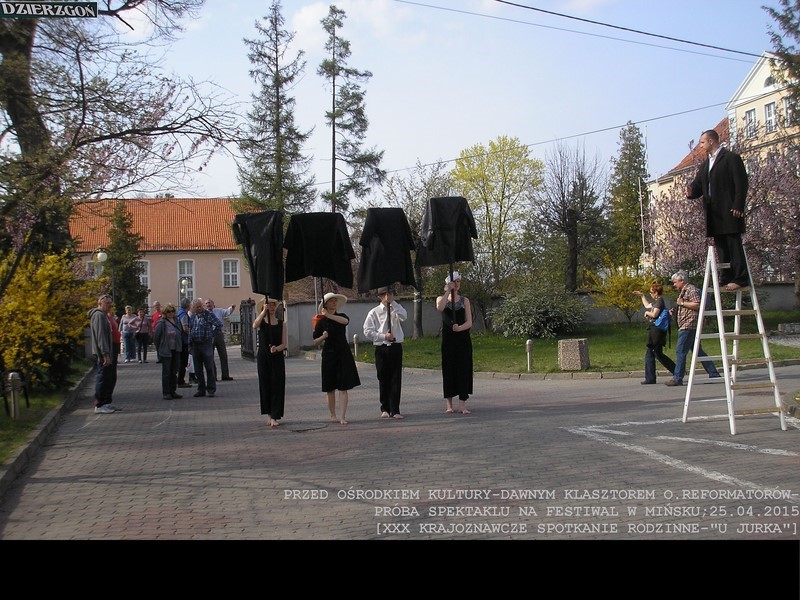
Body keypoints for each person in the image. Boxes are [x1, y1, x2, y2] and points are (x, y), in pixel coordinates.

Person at [686, 129, 749, 291]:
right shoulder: (707, 163)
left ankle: (740, 278)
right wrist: (691, 190)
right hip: (714, 213)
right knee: (720, 245)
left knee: (733, 243)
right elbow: (699, 184)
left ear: (711, 141)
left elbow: (741, 183)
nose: (700, 146)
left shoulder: (731, 158)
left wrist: (738, 205)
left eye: (702, 142)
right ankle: (726, 276)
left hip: (729, 209)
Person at [313, 292, 361, 425]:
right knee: (330, 388)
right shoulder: (321, 322)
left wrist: (329, 315)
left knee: (343, 387)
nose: (334, 303)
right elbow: (315, 341)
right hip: (329, 355)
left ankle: (343, 416)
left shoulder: (341, 316)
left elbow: (345, 321)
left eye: (335, 301)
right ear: (326, 304)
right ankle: (332, 414)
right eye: (331, 301)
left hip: (343, 353)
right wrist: (323, 337)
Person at [667, 270, 721, 386]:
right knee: (697, 351)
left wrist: (681, 304)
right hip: (687, 324)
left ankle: (678, 378)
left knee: (680, 351)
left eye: (675, 282)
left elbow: (697, 304)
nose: (674, 284)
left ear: (682, 281)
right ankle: (713, 372)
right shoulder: (684, 290)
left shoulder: (690, 289)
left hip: (689, 325)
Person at [363, 286, 407, 419]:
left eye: (391, 294)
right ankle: (385, 408)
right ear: (380, 297)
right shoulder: (374, 312)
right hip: (381, 347)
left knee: (395, 378)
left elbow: (404, 316)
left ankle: (395, 409)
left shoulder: (396, 308)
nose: (388, 296)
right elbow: (367, 331)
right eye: (385, 295)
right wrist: (383, 336)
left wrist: (393, 303)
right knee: (383, 377)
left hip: (395, 346)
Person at [435, 271, 473, 414]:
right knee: (449, 369)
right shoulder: (441, 299)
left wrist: (460, 328)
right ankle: (449, 404)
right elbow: (440, 308)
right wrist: (447, 292)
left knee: (463, 369)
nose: (456, 284)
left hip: (462, 339)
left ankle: (462, 404)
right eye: (453, 282)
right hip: (448, 340)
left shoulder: (465, 301)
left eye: (458, 282)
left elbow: (469, 322)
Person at [253, 297, 287, 428]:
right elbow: (254, 325)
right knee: (265, 384)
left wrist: (277, 348)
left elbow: (284, 343)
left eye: (273, 306)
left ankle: (275, 415)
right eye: (269, 305)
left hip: (277, 357)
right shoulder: (261, 322)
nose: (271, 308)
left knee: (277, 384)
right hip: (263, 357)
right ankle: (268, 414)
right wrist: (262, 313)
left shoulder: (281, 323)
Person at [634, 283, 676, 385]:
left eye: (652, 292)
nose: (651, 294)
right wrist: (642, 296)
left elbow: (654, 314)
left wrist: (647, 313)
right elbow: (647, 305)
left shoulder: (659, 301)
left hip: (656, 332)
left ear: (656, 292)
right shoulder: (657, 301)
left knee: (653, 353)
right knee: (655, 353)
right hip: (656, 331)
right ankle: (676, 371)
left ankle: (651, 378)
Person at [89, 295, 118, 414]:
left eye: (111, 304)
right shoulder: (99, 316)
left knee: (109, 377)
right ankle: (99, 404)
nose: (110, 306)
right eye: (107, 304)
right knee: (103, 377)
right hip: (103, 353)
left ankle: (106, 402)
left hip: (109, 351)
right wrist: (105, 354)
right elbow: (100, 337)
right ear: (100, 303)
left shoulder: (105, 316)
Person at [189, 298, 223, 398]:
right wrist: (189, 345)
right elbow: (190, 331)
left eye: (200, 306)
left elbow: (219, 324)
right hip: (195, 344)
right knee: (198, 369)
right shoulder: (192, 316)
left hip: (206, 344)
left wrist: (212, 335)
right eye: (197, 307)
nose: (199, 308)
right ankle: (201, 389)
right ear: (193, 308)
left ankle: (211, 389)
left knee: (209, 367)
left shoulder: (208, 315)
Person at [152, 303, 184, 400]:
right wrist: (160, 349)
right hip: (166, 350)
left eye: (172, 311)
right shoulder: (161, 323)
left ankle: (173, 391)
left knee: (174, 371)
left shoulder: (176, 321)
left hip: (176, 349)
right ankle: (166, 392)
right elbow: (156, 337)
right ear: (165, 313)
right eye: (168, 312)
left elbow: (180, 333)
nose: (171, 313)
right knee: (166, 372)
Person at [204, 298, 235, 381]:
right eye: (206, 303)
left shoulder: (218, 311)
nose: (208, 304)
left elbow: (227, 312)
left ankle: (225, 375)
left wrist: (232, 307)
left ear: (213, 304)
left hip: (218, 334)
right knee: (210, 356)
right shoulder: (204, 313)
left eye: (209, 303)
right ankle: (213, 376)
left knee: (223, 355)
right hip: (209, 335)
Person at [176, 297, 193, 387]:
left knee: (181, 362)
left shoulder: (180, 312)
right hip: (184, 341)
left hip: (182, 340)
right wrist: (193, 332)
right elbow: (185, 328)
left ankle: (180, 380)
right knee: (183, 362)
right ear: (188, 305)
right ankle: (180, 381)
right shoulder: (183, 314)